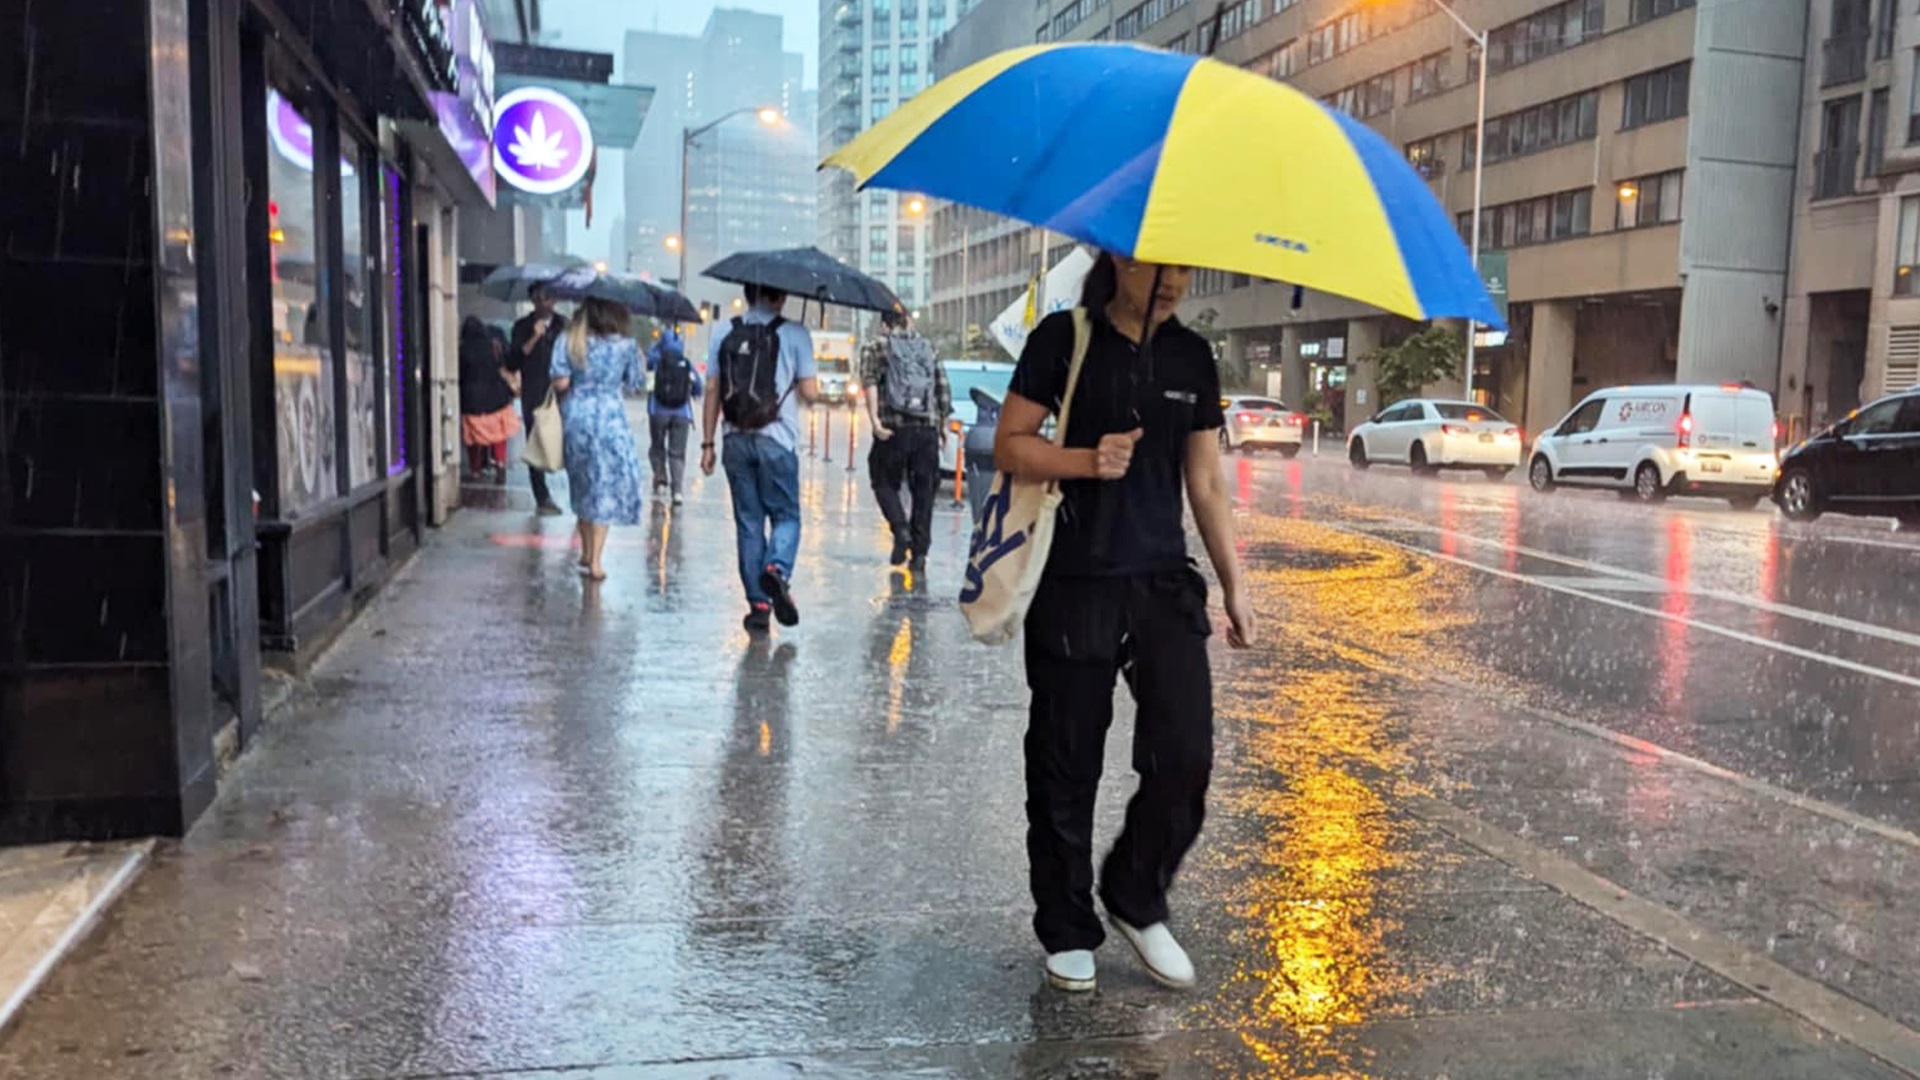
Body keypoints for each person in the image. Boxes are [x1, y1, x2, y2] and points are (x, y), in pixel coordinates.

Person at [992, 252, 1256, 995]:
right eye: (1156, 266)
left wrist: (1235, 584)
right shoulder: (1063, 339)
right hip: (1074, 581)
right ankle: (1068, 926)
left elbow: (1203, 479)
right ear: (1116, 257)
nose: (1173, 282)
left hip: (1162, 584)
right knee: (1064, 765)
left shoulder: (1191, 356)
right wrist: (1086, 459)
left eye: (1186, 269)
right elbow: (1009, 445)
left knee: (1186, 756)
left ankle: (1137, 894)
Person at [700, 284, 819, 633]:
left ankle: (759, 606)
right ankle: (777, 570)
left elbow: (712, 390)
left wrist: (707, 444)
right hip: (777, 439)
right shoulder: (795, 333)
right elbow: (810, 393)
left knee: (749, 523)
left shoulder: (724, 331)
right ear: (780, 296)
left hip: (734, 439)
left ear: (748, 292)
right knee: (786, 516)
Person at [550, 298, 646, 581]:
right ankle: (596, 560)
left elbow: (561, 381)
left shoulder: (569, 339)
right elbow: (635, 384)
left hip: (577, 418)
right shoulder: (626, 345)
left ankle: (585, 552)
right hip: (611, 421)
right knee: (602, 487)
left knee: (582, 484)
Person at [861, 309, 950, 574]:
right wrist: (940, 425)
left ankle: (900, 529)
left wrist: (876, 422)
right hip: (926, 431)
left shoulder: (876, 347)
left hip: (894, 429)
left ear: (884, 324)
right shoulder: (927, 347)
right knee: (924, 490)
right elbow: (942, 388)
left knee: (882, 480)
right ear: (908, 321)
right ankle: (920, 553)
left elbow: (870, 383)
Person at [508, 283, 568, 516]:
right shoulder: (523, 326)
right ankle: (542, 497)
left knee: (568, 441)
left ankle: (578, 495)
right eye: (538, 298)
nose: (543, 303)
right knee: (536, 442)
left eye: (548, 298)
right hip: (534, 392)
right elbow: (512, 361)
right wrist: (534, 337)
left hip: (561, 393)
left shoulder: (564, 326)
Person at [646, 325, 704, 506]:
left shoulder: (656, 361)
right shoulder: (686, 364)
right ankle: (677, 490)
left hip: (658, 411)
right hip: (682, 413)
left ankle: (661, 476)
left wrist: (657, 345)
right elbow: (698, 387)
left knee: (657, 447)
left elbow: (648, 364)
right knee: (677, 453)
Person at [457, 317, 520, 480]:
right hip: (496, 395)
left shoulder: (462, 350)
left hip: (472, 399)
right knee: (499, 433)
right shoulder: (493, 346)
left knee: (474, 437)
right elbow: (502, 364)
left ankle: (476, 469)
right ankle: (500, 462)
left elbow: (460, 375)